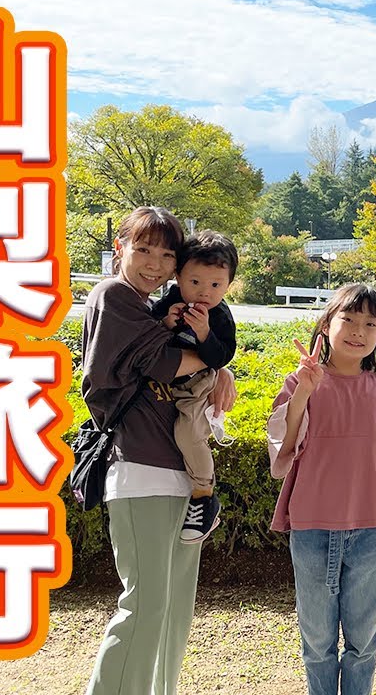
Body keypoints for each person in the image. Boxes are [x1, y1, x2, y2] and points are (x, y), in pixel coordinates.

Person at [83, 206, 238, 695]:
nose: (154, 263)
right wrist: (217, 367)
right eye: (143, 248)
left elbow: (191, 358)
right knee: (146, 605)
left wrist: (217, 367)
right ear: (119, 248)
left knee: (172, 609)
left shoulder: (157, 306)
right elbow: (165, 362)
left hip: (178, 475)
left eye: (166, 254)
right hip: (139, 467)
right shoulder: (115, 296)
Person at [265, 283, 376, 695]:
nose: (359, 330)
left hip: (373, 526)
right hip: (312, 525)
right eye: (349, 319)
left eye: (370, 323)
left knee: (364, 642)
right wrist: (303, 390)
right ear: (327, 324)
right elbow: (284, 449)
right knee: (317, 643)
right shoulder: (300, 381)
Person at [149, 229, 239, 544]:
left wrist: (204, 334)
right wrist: (164, 324)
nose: (204, 292)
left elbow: (222, 356)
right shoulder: (171, 301)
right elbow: (147, 334)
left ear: (228, 285)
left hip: (198, 384)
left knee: (188, 433)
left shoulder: (221, 315)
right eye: (195, 282)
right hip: (162, 387)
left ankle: (204, 493)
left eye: (216, 285)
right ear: (178, 276)